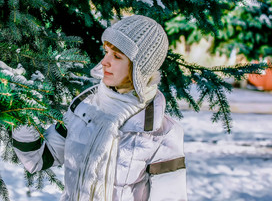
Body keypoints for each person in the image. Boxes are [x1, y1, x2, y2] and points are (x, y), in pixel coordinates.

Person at [12, 15, 187, 201]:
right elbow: (40, 157)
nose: (105, 62)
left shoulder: (162, 132)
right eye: (106, 51)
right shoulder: (84, 107)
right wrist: (20, 116)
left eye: (117, 56)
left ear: (140, 68)